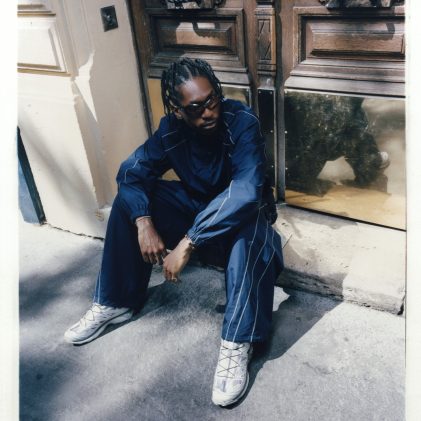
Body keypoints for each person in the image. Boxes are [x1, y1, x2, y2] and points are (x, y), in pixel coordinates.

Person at [64, 58, 284, 407]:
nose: (208, 112)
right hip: (198, 212)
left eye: (212, 100)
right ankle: (116, 302)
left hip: (241, 222)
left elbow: (245, 191)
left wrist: (188, 241)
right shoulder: (171, 130)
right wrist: (143, 222)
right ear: (177, 110)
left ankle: (237, 341)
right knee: (130, 202)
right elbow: (132, 173)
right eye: (195, 108)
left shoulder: (241, 122)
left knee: (250, 226)